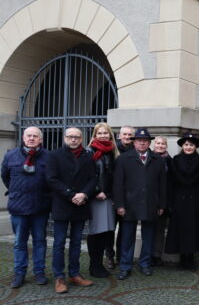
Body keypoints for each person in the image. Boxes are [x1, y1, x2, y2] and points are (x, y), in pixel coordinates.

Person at [46, 127, 97, 293]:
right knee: (59, 242)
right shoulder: (54, 155)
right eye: (70, 137)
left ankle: (74, 274)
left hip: (81, 204)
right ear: (65, 138)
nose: (73, 140)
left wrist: (84, 194)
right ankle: (59, 277)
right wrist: (70, 194)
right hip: (62, 203)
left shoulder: (88, 156)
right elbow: (51, 179)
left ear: (81, 139)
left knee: (76, 241)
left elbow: (93, 178)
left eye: (76, 137)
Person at [113, 128, 167, 280]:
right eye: (139, 140)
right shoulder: (123, 159)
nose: (142, 143)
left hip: (151, 204)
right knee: (127, 237)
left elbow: (163, 185)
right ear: (134, 142)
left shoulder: (158, 160)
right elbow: (118, 184)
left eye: (145, 141)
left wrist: (162, 205)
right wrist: (120, 205)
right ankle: (125, 266)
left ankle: (145, 264)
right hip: (129, 205)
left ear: (149, 142)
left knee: (148, 236)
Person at [1, 127, 51, 288]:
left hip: (40, 206)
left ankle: (39, 272)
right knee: (19, 243)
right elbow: (5, 177)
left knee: (39, 241)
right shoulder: (11, 155)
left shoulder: (48, 157)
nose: (31, 138)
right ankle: (19, 273)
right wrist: (17, 191)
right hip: (18, 206)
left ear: (40, 140)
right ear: (23, 138)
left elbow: (52, 180)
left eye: (35, 136)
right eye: (28, 136)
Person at [165, 132, 199, 270]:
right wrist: (170, 203)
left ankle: (190, 259)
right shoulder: (174, 161)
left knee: (193, 230)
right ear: (182, 146)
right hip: (179, 201)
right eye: (186, 144)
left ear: (195, 147)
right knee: (181, 230)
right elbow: (170, 184)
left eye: (191, 145)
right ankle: (182, 259)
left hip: (196, 201)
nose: (189, 147)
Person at [85, 122, 119, 278]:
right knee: (95, 232)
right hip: (95, 197)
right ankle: (95, 266)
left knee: (106, 232)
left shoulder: (113, 152)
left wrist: (110, 193)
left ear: (110, 135)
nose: (103, 136)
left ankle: (100, 264)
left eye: (106, 133)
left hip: (108, 198)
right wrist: (96, 191)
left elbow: (116, 177)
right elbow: (87, 175)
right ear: (95, 135)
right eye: (100, 133)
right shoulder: (89, 151)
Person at [106, 125, 135, 269]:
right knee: (111, 229)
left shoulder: (136, 150)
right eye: (125, 134)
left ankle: (121, 256)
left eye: (130, 134)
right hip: (113, 197)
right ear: (119, 136)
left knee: (125, 230)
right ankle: (110, 256)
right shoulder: (112, 150)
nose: (127, 137)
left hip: (129, 198)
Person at [151, 136, 171, 267]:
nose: (160, 145)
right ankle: (147, 254)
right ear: (154, 145)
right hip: (149, 200)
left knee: (159, 230)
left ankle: (157, 255)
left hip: (164, 200)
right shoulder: (148, 158)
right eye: (158, 143)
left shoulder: (170, 161)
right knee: (148, 229)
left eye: (163, 143)